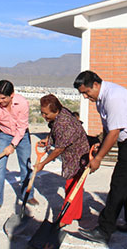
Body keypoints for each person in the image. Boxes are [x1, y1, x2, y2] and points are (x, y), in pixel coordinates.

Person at [73, 70, 127, 244]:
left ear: (95, 84)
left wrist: (98, 159)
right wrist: (98, 148)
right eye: (82, 94)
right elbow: (108, 129)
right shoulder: (100, 100)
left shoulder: (113, 96)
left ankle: (104, 230)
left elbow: (114, 132)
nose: (86, 97)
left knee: (119, 182)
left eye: (86, 92)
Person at [35, 94, 90, 228]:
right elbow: (53, 129)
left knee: (72, 187)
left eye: (46, 113)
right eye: (42, 112)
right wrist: (48, 140)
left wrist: (43, 163)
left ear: (56, 110)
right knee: (75, 186)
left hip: (79, 155)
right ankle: (75, 214)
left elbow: (58, 150)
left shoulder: (64, 124)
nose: (44, 116)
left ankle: (64, 219)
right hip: (73, 153)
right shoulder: (59, 115)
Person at [0, 80, 38, 211]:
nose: (0, 101)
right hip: (4, 134)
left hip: (22, 135)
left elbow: (22, 127)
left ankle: (28, 195)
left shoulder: (22, 103)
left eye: (3, 98)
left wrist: (13, 145)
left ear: (12, 95)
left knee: (25, 165)